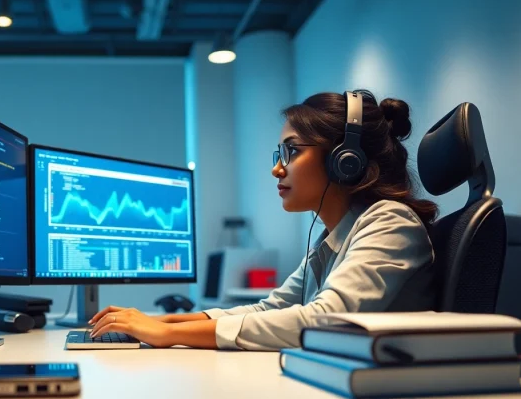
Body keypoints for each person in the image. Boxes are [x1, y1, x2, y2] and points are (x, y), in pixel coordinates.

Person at [89, 90, 438, 351]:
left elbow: (325, 321)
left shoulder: (391, 223)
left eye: (292, 151)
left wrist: (167, 334)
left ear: (343, 160)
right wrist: (158, 321)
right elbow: (271, 308)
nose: (277, 168)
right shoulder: (332, 240)